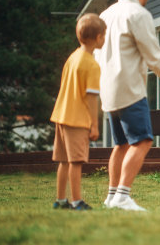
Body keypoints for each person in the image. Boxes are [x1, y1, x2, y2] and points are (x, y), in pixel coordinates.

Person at [98, 0, 160, 211]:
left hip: (108, 88)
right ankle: (122, 195)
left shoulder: (106, 14)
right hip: (129, 88)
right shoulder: (139, 14)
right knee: (142, 141)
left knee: (120, 144)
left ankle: (111, 196)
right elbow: (152, 51)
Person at [50, 13, 106, 211]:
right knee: (76, 161)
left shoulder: (72, 57)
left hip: (61, 115)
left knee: (64, 161)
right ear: (98, 37)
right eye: (104, 35)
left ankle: (60, 200)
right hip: (77, 119)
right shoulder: (91, 64)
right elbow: (91, 97)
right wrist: (95, 125)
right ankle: (76, 201)